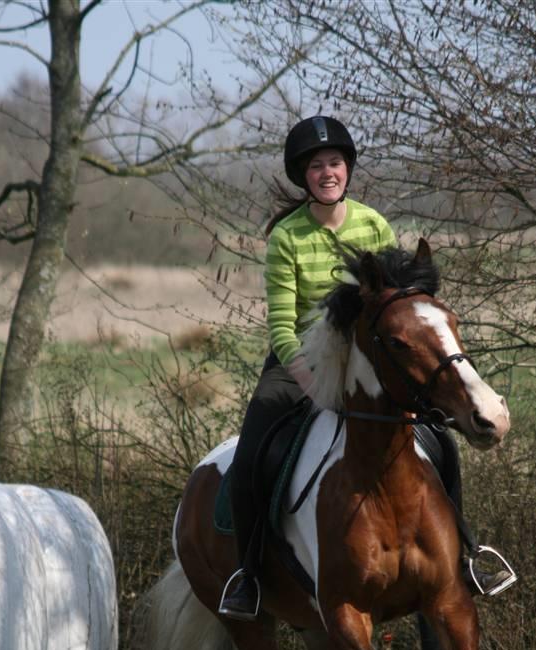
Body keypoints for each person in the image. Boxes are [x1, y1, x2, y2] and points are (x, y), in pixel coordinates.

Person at [219, 115, 513, 620]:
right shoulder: (287, 237)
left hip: (369, 358)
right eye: (317, 167)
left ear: (347, 170)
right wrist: (310, 381)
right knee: (251, 456)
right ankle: (247, 575)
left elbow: (394, 304)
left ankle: (466, 557)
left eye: (335, 163)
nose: (327, 172)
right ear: (303, 176)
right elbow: (282, 328)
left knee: (440, 442)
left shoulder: (373, 224)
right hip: (301, 364)